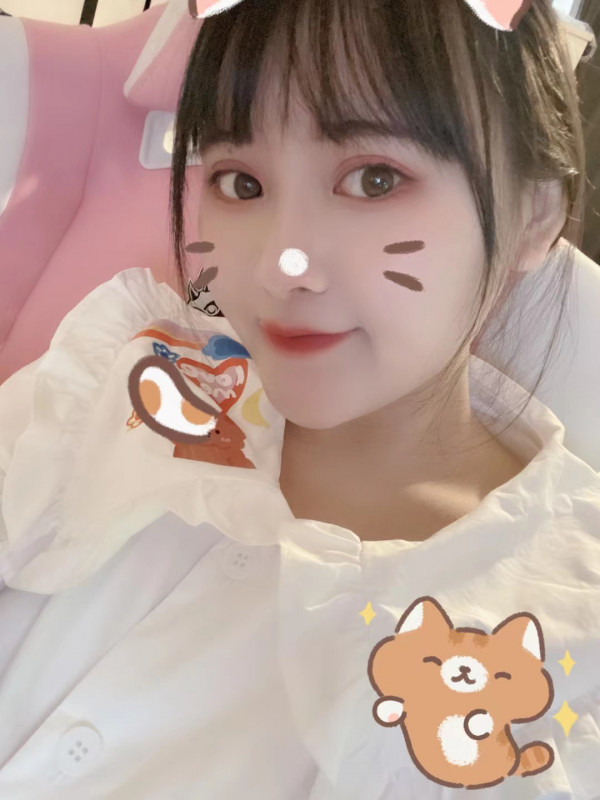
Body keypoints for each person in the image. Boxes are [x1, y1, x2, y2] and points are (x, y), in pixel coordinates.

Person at [0, 0, 599, 797]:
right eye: (240, 182)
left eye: (374, 179)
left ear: (535, 211)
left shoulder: (565, 642)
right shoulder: (131, 373)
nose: (279, 265)